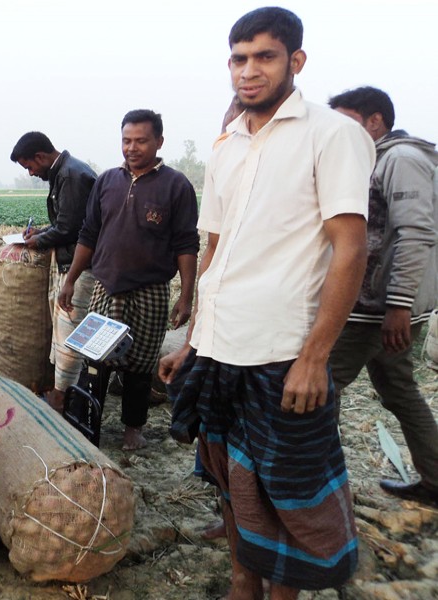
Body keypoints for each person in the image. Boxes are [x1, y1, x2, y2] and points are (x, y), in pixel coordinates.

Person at [159, 7, 375, 598]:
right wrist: (193, 338)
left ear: (295, 61)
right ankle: (240, 583)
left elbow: (350, 250)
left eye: (264, 57)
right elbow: (217, 249)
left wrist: (314, 357)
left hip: (282, 352)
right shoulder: (227, 145)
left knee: (287, 491)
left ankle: (283, 592)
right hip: (218, 348)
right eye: (238, 59)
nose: (248, 71)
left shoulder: (333, 134)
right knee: (231, 480)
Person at [59, 110, 199, 451]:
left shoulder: (176, 185)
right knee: (94, 360)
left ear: (159, 142)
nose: (132, 148)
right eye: (126, 140)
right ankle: (86, 422)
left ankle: (132, 429)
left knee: (140, 363)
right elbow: (88, 233)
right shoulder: (107, 181)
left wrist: (186, 297)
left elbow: (186, 244)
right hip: (105, 287)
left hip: (149, 290)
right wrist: (70, 280)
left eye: (140, 141)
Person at [327, 86, 438, 506]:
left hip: (375, 310)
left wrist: (398, 305)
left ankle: (325, 492)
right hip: (379, 306)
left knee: (319, 388)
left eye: (347, 122)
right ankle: (434, 478)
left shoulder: (401, 160)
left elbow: (415, 235)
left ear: (375, 122)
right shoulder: (379, 159)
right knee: (399, 390)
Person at [10, 132, 97, 411]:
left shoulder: (71, 176)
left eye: (29, 166)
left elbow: (72, 229)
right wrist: (41, 232)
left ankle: (65, 400)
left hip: (81, 268)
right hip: (71, 264)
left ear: (41, 156)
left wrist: (39, 240)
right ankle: (64, 393)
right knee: (65, 336)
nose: (31, 173)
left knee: (72, 336)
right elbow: (66, 222)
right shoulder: (65, 172)